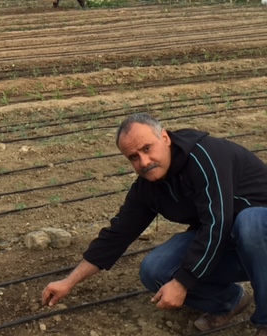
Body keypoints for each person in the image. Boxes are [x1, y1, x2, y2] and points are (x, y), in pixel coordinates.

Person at [41, 113, 267, 336]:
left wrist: (182, 282)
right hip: (228, 239)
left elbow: (217, 223)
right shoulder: (148, 188)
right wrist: (68, 282)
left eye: (147, 148)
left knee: (250, 222)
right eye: (133, 157)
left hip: (258, 234)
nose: (144, 162)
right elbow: (117, 235)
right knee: (156, 269)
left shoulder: (204, 157)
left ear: (165, 138)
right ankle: (230, 301)